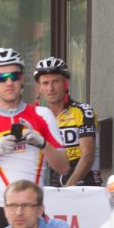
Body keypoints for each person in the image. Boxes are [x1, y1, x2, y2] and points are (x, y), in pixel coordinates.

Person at [0, 48, 69, 228]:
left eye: (15, 76)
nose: (9, 82)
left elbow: (63, 167)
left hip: (31, 209)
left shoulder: (42, 114)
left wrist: (41, 143)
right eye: (1, 78)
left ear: (22, 79)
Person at [33, 57, 101, 187]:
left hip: (84, 183)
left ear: (66, 82)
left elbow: (88, 154)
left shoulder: (83, 111)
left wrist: (68, 188)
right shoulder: (39, 117)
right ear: (39, 88)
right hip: (54, 184)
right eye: (45, 83)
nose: (50, 88)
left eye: (55, 82)